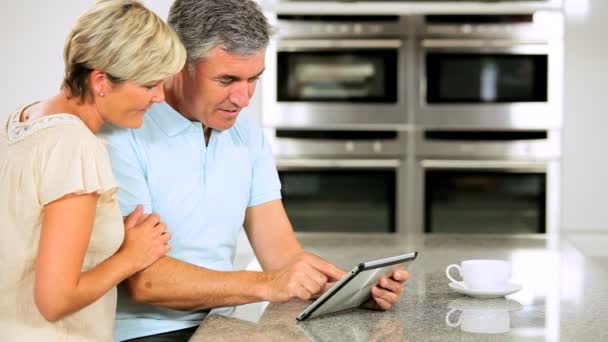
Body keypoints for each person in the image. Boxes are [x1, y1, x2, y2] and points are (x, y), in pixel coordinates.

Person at [101, 0, 410, 341]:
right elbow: (146, 281)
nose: (243, 98)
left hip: (216, 327)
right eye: (227, 79)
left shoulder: (244, 134)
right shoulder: (123, 134)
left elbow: (281, 255)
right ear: (178, 63)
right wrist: (266, 285)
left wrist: (346, 290)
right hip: (140, 334)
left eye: (253, 79)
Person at [0, 1, 186, 340]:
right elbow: (55, 300)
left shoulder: (21, 121)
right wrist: (133, 255)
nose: (159, 96)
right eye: (149, 85)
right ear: (101, 81)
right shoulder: (75, 146)